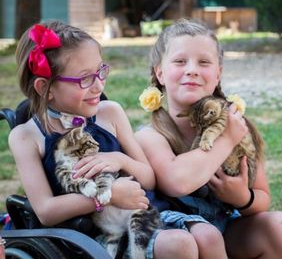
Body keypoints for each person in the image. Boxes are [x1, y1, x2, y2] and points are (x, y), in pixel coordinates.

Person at [8, 20, 199, 259]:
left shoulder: (110, 113)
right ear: (45, 87)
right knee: (179, 245)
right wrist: (105, 197)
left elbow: (148, 179)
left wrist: (120, 159)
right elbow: (46, 211)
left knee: (204, 236)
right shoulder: (26, 137)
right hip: (88, 236)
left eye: (100, 71)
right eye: (84, 79)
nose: (99, 85)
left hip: (140, 217)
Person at [135, 18, 282, 259]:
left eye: (204, 62)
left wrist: (242, 198)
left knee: (281, 228)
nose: (192, 69)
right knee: (203, 237)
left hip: (225, 227)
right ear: (160, 72)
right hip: (178, 238)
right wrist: (226, 139)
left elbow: (262, 196)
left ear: (217, 75)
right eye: (180, 61)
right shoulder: (150, 135)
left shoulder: (238, 126)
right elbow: (177, 181)